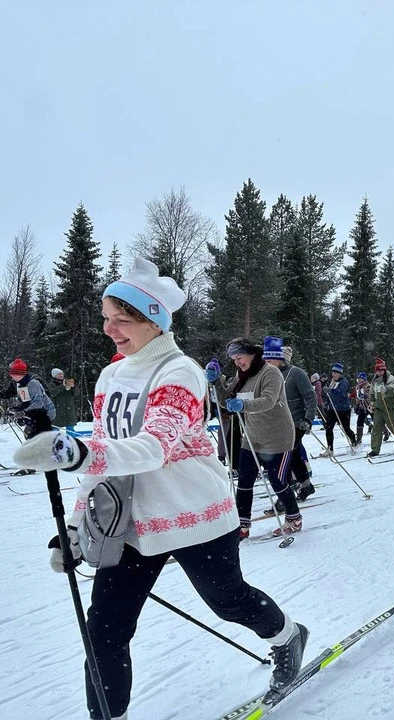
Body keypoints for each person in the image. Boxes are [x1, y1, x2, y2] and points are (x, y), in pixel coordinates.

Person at [13, 258, 308, 720]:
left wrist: (78, 451)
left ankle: (287, 635)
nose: (110, 329)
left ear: (154, 321)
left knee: (229, 602)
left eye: (122, 319)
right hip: (127, 525)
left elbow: (153, 447)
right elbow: (104, 457)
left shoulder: (179, 371)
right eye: (106, 318)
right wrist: (75, 525)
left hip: (194, 514)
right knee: (105, 631)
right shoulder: (111, 376)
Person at [211, 336, 303, 537]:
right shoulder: (241, 376)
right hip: (252, 438)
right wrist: (215, 381)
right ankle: (242, 525)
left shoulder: (271, 373)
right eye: (234, 360)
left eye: (240, 357)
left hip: (278, 437)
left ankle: (294, 517)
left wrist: (245, 405)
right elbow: (227, 401)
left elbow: (268, 400)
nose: (238, 362)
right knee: (244, 482)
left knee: (277, 481)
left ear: (252, 354)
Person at [268, 346, 317, 503]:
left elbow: (310, 396)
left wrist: (308, 418)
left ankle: (284, 496)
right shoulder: (268, 375)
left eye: (269, 359)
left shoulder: (296, 373)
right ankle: (306, 485)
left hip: (296, 423)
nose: (266, 362)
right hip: (278, 423)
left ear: (280, 359)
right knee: (293, 455)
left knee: (284, 456)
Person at [368, 358, 394, 457]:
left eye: (381, 371)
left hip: (390, 407)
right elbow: (372, 393)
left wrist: (386, 389)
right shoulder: (374, 381)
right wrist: (372, 402)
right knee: (376, 428)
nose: (379, 373)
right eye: (377, 371)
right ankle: (375, 449)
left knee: (393, 427)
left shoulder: (390, 378)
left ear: (384, 370)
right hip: (378, 407)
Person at [320, 362, 358, 456]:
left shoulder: (344, 382)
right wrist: (327, 402)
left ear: (340, 374)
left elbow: (340, 393)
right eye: (333, 373)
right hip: (333, 409)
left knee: (346, 429)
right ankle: (330, 448)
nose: (334, 375)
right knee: (329, 428)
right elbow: (330, 395)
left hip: (343, 409)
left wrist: (330, 390)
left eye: (336, 373)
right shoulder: (333, 382)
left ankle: (353, 440)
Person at [350, 372, 376, 444]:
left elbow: (371, 396)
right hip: (362, 407)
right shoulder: (358, 387)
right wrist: (357, 405)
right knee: (360, 421)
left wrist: (365, 397)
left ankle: (385, 432)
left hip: (369, 406)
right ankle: (359, 437)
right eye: (358, 378)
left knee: (376, 420)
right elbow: (357, 398)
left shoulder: (368, 386)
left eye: (360, 378)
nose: (359, 380)